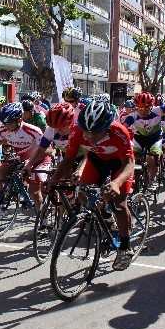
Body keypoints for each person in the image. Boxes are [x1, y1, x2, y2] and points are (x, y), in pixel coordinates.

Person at [49, 101, 135, 271]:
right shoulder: (77, 131)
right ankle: (106, 219)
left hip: (120, 163)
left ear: (106, 126)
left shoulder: (119, 131)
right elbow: (68, 160)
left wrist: (117, 183)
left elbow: (129, 163)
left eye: (94, 133)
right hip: (97, 160)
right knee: (83, 193)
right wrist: (53, 180)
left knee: (119, 203)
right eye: (86, 131)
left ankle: (125, 246)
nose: (88, 136)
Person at [0, 103, 47, 210]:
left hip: (38, 158)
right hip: (21, 157)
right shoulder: (4, 130)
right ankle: (15, 193)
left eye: (10, 123)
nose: (7, 126)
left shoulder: (33, 130)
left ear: (19, 119)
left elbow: (47, 149)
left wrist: (30, 162)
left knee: (35, 192)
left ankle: (42, 217)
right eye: (5, 123)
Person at [123, 92, 165, 189]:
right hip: (139, 138)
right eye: (140, 107)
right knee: (132, 158)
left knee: (151, 158)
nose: (143, 110)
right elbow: (123, 128)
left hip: (154, 138)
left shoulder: (159, 110)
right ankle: (134, 178)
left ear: (152, 106)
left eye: (146, 107)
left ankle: (152, 179)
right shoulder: (133, 116)